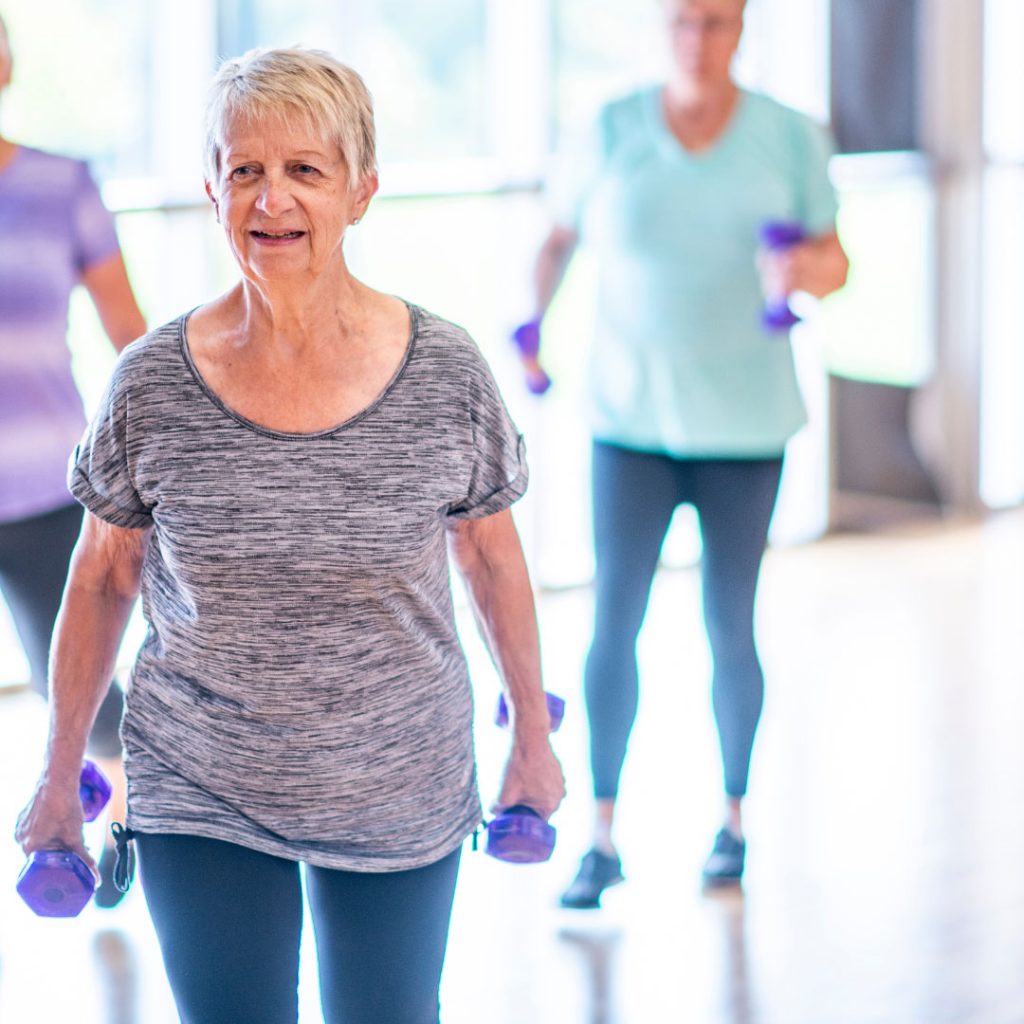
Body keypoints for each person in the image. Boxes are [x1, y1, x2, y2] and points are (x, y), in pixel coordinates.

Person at [15, 46, 564, 1024]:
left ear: (360, 192)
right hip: (200, 773)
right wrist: (61, 775)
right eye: (245, 170)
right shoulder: (151, 381)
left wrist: (531, 732)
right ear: (213, 190)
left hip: (397, 768)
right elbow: (101, 578)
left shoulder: (443, 370)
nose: (271, 199)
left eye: (304, 169)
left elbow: (490, 555)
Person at [514, 0, 848, 906]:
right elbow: (557, 238)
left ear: (740, 27)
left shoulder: (786, 134)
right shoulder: (612, 126)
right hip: (629, 420)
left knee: (728, 626)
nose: (697, 39)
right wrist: (534, 322)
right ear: (661, 27)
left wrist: (803, 272)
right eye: (683, 21)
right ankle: (602, 836)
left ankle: (732, 825)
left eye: (716, 22)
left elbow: (834, 257)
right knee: (611, 622)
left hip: (745, 425)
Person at [0, 12, 146, 907]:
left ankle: (120, 828)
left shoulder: (63, 183)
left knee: (85, 684)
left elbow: (129, 332)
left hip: (47, 484)